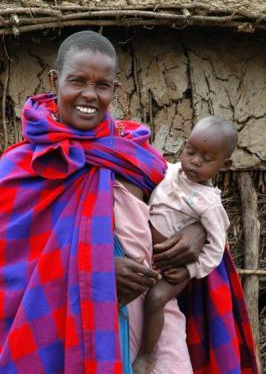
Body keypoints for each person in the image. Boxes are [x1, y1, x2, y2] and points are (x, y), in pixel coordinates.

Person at [0, 30, 257, 374]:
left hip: (149, 319)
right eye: (77, 81)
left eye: (102, 85)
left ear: (115, 90)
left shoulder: (134, 154)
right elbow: (12, 267)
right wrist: (96, 269)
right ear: (54, 79)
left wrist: (198, 232)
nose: (89, 95)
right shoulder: (20, 167)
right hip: (63, 325)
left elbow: (179, 203)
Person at [131, 116, 238, 373]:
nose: (195, 161)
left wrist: (190, 271)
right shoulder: (169, 171)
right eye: (191, 151)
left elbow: (215, 246)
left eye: (207, 159)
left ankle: (146, 354)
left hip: (175, 269)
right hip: (150, 255)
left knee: (156, 298)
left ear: (224, 165)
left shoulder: (209, 203)